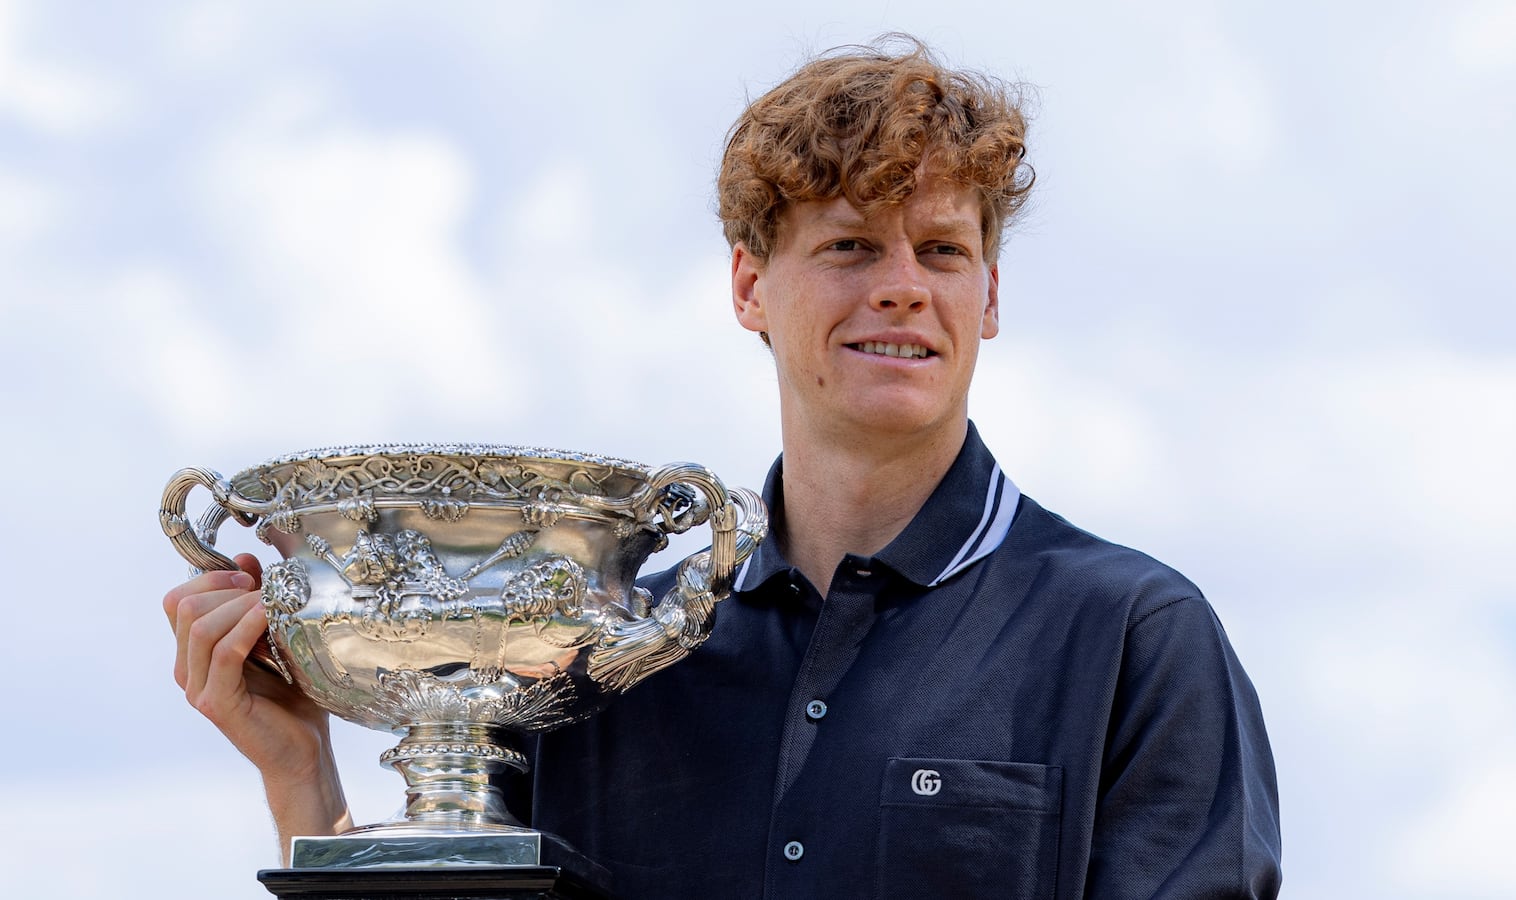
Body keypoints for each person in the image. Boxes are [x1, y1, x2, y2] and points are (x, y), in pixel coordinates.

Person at [165, 36, 1281, 900]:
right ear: (749, 286)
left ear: (988, 296)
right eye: (849, 245)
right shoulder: (585, 669)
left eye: (942, 250)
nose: (901, 286)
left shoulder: (1133, 636)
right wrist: (299, 776)